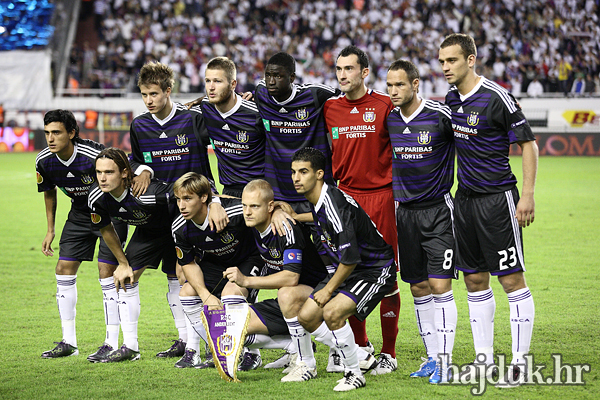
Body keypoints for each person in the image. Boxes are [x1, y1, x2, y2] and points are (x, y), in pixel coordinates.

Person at [439, 33, 538, 387]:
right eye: (442, 62)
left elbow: (528, 144)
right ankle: (483, 361)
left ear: (470, 60)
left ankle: (519, 364)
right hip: (464, 202)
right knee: (475, 279)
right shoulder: (451, 99)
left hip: (497, 200)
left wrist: (526, 195)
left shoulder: (496, 97)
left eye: (451, 60)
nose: (445, 67)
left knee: (511, 279)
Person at [129, 61, 227, 359]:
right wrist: (143, 168)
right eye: (144, 94)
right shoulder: (139, 125)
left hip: (193, 212)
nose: (149, 100)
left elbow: (225, 133)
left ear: (168, 91)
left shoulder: (192, 119)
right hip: (159, 214)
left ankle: (201, 341)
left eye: (154, 94)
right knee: (152, 275)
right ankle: (172, 341)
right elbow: (133, 159)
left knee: (188, 276)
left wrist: (217, 198)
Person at [321, 45, 401, 375]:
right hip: (345, 198)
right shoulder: (329, 108)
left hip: (381, 198)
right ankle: (361, 345)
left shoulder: (384, 105)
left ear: (364, 72)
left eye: (349, 69)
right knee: (349, 273)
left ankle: (390, 352)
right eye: (339, 69)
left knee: (387, 277)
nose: (342, 75)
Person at [292, 148, 396, 392]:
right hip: (352, 267)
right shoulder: (319, 201)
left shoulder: (333, 205)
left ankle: (353, 373)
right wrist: (297, 216)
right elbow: (320, 219)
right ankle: (357, 353)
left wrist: (328, 290)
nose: (296, 178)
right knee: (306, 316)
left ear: (319, 174)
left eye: (303, 172)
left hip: (373, 269)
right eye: (294, 172)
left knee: (332, 312)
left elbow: (349, 259)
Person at [386, 59, 458, 383]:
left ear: (415, 84)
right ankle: (431, 357)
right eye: (389, 85)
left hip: (439, 211)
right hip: (405, 213)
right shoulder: (389, 120)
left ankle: (445, 361)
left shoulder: (440, 116)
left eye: (399, 85)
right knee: (418, 287)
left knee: (441, 286)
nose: (393, 91)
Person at [36, 110, 127, 361]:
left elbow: (121, 170)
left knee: (106, 272)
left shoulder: (93, 155)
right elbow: (49, 192)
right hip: (79, 214)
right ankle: (69, 341)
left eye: (56, 132)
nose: (50, 138)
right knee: (63, 267)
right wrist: (50, 229)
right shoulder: (44, 161)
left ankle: (110, 342)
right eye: (47, 133)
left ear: (72, 133)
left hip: (109, 213)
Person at [223, 179, 329, 381]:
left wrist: (246, 280)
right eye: (244, 205)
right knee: (234, 323)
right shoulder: (252, 221)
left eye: (254, 206)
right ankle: (292, 347)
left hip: (318, 298)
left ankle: (314, 362)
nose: (247, 211)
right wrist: (214, 206)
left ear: (269, 206)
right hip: (290, 305)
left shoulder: (284, 227)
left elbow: (291, 277)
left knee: (286, 292)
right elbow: (214, 199)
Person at [88, 147, 178, 362]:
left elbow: (186, 195)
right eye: (99, 172)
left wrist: (213, 203)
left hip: (176, 230)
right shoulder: (97, 197)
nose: (102, 178)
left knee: (181, 280)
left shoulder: (149, 194)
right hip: (148, 233)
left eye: (109, 172)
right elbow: (106, 229)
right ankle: (130, 347)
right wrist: (122, 262)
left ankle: (186, 343)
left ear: (125, 173)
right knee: (125, 278)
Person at [171, 172, 266, 369]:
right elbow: (188, 264)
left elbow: (265, 208)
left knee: (231, 293)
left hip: (250, 259)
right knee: (187, 292)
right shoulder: (180, 227)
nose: (181, 205)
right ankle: (217, 348)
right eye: (178, 199)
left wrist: (281, 209)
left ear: (204, 197)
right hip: (216, 264)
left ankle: (252, 354)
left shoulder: (234, 213)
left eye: (187, 198)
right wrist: (205, 295)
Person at [200, 57, 265, 198]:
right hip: (227, 192)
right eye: (207, 81)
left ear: (233, 84)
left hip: (259, 191)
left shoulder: (256, 114)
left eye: (217, 81)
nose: (211, 87)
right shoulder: (206, 107)